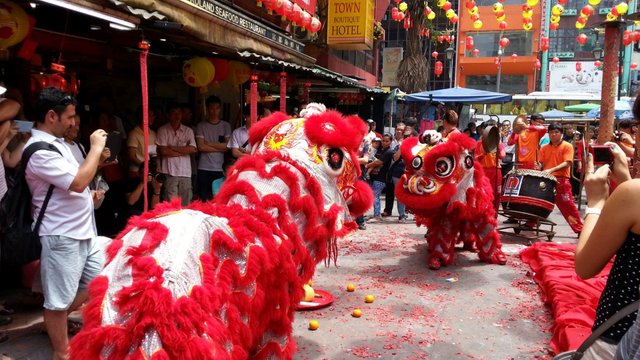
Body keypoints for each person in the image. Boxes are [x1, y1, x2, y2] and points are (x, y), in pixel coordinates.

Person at [25, 87, 109, 359]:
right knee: (58, 301)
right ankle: (63, 352)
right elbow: (78, 182)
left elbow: (80, 177)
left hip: (83, 232)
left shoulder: (59, 144)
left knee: (96, 279)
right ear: (52, 116)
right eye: (70, 117)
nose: (74, 123)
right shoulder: (39, 151)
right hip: (62, 236)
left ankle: (54, 318)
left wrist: (96, 161)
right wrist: (96, 148)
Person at [574, 140, 635, 359]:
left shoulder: (633, 194)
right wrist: (627, 181)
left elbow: (585, 266)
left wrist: (596, 203)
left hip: (620, 335)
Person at [536, 122, 583, 234]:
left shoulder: (567, 146)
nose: (553, 135)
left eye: (556, 132)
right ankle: (531, 223)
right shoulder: (544, 147)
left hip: (561, 180)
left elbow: (567, 163)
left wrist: (551, 170)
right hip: (546, 180)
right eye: (551, 132)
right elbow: (540, 163)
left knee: (568, 206)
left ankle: (580, 229)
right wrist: (537, 166)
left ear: (561, 133)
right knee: (539, 202)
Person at [156, 103, 197, 205]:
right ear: (168, 115)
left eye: (179, 113)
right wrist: (184, 150)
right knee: (171, 206)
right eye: (174, 113)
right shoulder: (162, 130)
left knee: (186, 206)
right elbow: (163, 151)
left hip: (186, 173)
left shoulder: (188, 131)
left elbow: (192, 149)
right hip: (170, 173)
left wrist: (172, 147)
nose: (177, 116)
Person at [195, 96, 231, 200]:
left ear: (220, 109)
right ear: (207, 108)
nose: (214, 111)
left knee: (219, 198)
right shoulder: (201, 126)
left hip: (219, 168)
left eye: (217, 108)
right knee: (203, 198)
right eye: (211, 108)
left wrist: (209, 143)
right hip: (204, 167)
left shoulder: (225, 126)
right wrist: (221, 147)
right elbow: (201, 147)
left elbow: (228, 146)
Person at [475, 120, 505, 211]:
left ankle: (494, 215)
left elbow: (503, 156)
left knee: (497, 193)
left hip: (496, 171)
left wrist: (497, 147)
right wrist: (483, 154)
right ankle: (484, 214)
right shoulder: (479, 143)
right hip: (484, 171)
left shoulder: (498, 143)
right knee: (483, 193)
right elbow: (475, 158)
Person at [365, 134, 394, 221]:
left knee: (375, 195)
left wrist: (367, 165)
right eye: (383, 141)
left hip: (382, 177)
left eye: (387, 141)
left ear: (390, 142)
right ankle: (376, 214)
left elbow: (378, 162)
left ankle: (377, 215)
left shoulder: (389, 151)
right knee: (374, 195)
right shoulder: (380, 150)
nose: (384, 143)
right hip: (374, 176)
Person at [127, 108, 157, 178]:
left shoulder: (153, 133)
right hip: (137, 171)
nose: (152, 118)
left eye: (153, 115)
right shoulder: (133, 133)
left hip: (150, 171)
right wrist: (145, 167)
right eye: (149, 115)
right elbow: (132, 156)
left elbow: (153, 153)